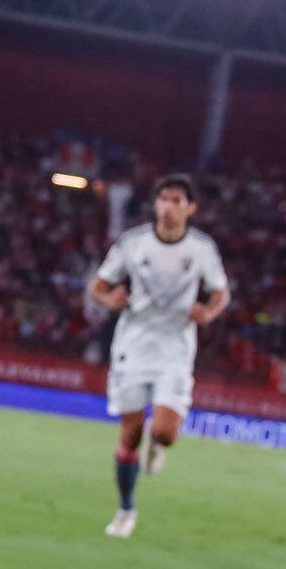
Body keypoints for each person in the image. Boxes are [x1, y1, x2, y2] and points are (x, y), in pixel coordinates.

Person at [88, 174, 227, 538]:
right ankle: (126, 509)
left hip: (175, 349)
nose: (168, 207)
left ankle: (158, 443)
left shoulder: (201, 249)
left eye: (177, 200)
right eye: (163, 199)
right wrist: (109, 299)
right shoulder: (133, 244)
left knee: (164, 433)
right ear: (155, 204)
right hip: (133, 346)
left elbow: (219, 293)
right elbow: (99, 285)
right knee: (129, 434)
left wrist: (208, 313)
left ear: (190, 208)